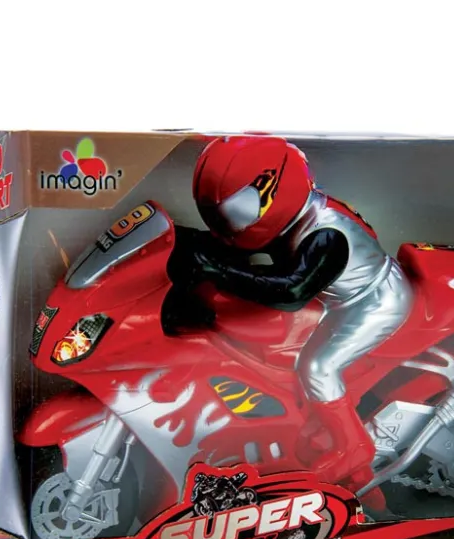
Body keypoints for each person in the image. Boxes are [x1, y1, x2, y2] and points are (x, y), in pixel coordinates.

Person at [164, 135, 413, 481]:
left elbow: (291, 290)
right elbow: (229, 246)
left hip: (373, 299)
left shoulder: (327, 235)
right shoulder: (291, 217)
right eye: (215, 214)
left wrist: (216, 271)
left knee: (317, 367)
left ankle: (353, 446)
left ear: (272, 187)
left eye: (237, 212)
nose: (226, 225)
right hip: (333, 299)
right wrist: (173, 239)